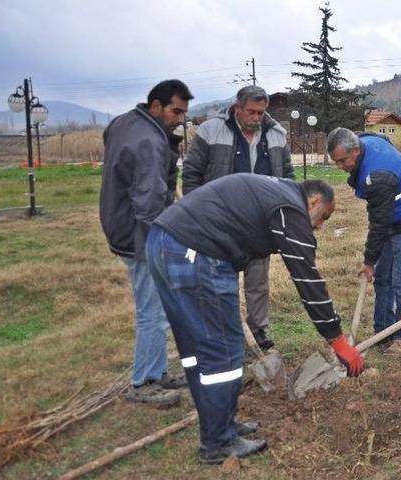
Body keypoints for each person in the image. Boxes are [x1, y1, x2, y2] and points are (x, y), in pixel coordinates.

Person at [145, 174, 364, 464]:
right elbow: (306, 277)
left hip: (166, 242)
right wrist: (337, 341)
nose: (320, 227)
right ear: (313, 202)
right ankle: (219, 444)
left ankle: (222, 425)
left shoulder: (277, 193)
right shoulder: (291, 209)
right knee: (222, 351)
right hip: (195, 252)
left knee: (197, 350)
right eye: (323, 217)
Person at [99, 79, 193, 407]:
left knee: (158, 307)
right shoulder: (151, 142)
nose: (180, 119)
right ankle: (142, 383)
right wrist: (168, 240)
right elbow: (149, 203)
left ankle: (157, 371)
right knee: (151, 311)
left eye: (184, 112)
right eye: (176, 111)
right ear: (156, 106)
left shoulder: (124, 122)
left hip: (120, 225)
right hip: (140, 236)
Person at [182, 85, 295, 352]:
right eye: (252, 112)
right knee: (223, 280)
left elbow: (288, 178)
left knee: (258, 282)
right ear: (238, 107)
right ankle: (228, 332)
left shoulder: (276, 135)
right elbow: (191, 173)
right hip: (221, 222)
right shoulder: (211, 130)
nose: (257, 117)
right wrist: (197, 213)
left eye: (261, 112)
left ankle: (259, 330)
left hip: (259, 223)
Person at [327, 127, 401, 354]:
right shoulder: (364, 140)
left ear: (355, 150)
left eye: (342, 161)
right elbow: (383, 138)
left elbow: (379, 224)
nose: (340, 167)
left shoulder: (379, 175)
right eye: (336, 162)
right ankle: (382, 332)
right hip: (391, 216)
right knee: (382, 279)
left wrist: (369, 261)